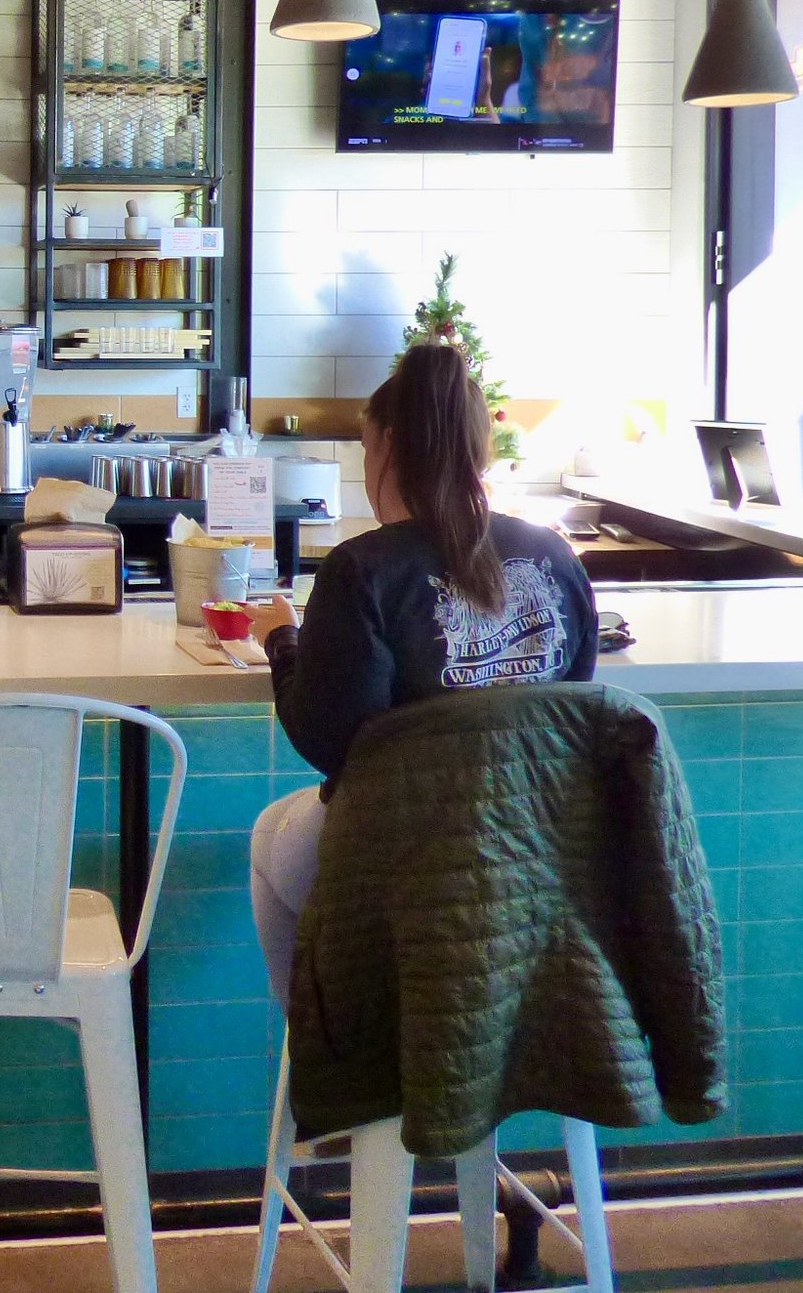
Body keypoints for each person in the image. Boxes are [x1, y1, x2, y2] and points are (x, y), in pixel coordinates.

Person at [248, 339, 598, 1005]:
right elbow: (571, 713)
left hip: (403, 867)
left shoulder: (362, 569)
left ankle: (328, 1062)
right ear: (480, 446)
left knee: (274, 834)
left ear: (383, 445)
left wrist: (281, 641)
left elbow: (329, 742)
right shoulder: (554, 555)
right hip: (536, 862)